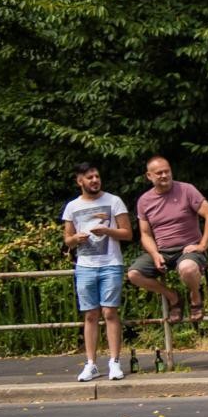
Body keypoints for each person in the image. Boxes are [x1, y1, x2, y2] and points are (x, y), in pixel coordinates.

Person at [61, 163, 132, 382]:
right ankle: (91, 363)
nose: (94, 180)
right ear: (80, 181)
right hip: (84, 265)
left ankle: (115, 361)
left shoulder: (114, 201)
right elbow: (67, 240)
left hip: (110, 263)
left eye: (97, 176)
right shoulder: (72, 206)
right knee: (90, 315)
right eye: (89, 177)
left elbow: (128, 233)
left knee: (110, 313)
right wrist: (76, 239)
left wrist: (107, 231)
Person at [128, 156, 208, 323]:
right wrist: (155, 254)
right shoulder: (144, 201)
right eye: (159, 173)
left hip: (188, 248)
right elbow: (145, 234)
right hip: (163, 250)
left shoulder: (186, 190)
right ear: (149, 176)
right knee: (134, 274)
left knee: (188, 268)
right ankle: (173, 297)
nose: (164, 175)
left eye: (167, 171)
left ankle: (195, 296)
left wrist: (202, 245)